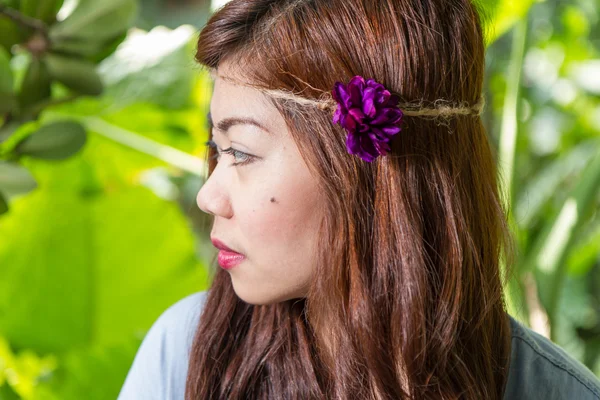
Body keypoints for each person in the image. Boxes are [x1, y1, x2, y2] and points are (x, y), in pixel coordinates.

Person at [118, 0, 600, 399]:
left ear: (364, 173)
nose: (207, 195)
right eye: (214, 149)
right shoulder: (184, 357)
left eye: (241, 152)